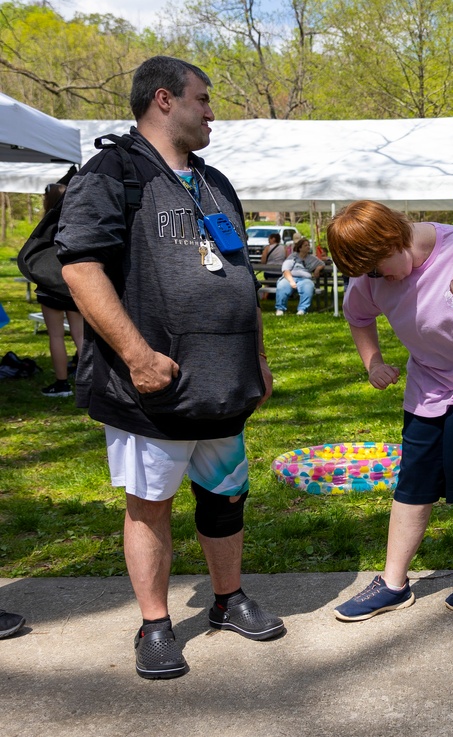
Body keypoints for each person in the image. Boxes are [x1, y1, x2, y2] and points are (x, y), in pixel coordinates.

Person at [58, 56, 284, 681]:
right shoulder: (113, 172)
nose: (212, 112)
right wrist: (136, 355)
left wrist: (258, 357)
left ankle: (227, 599)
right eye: (204, 99)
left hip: (225, 382)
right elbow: (80, 268)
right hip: (152, 385)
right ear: (164, 99)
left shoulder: (215, 181)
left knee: (226, 496)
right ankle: (155, 625)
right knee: (150, 504)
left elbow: (239, 274)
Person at [325, 200, 453, 621]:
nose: (379, 279)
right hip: (431, 379)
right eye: (368, 274)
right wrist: (373, 361)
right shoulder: (372, 272)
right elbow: (358, 316)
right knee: (416, 474)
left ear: (396, 237)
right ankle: (392, 584)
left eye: (380, 267)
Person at [35, 183, 84, 398]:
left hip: (50, 285)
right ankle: (88, 384)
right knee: (80, 334)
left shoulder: (44, 227)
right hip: (75, 283)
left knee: (56, 335)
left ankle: (62, 384)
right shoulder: (78, 224)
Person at [275, 237, 324, 316]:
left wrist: (317, 269)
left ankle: (302, 310)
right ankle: (280, 309)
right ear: (300, 248)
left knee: (308, 287)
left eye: (308, 245)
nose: (308, 247)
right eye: (305, 245)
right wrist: (291, 281)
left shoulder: (312, 258)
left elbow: (322, 264)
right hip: (290, 277)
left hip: (305, 279)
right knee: (282, 286)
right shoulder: (292, 257)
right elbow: (285, 270)